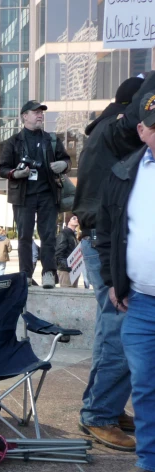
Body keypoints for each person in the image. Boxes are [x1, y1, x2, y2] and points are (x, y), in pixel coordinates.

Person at [74, 74, 155, 452]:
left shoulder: (105, 129)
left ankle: (105, 405)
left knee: (117, 331)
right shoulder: (116, 129)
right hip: (104, 241)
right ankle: (99, 414)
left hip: (101, 237)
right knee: (120, 332)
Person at [99, 91, 155, 472]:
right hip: (141, 302)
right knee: (145, 386)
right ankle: (149, 462)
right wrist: (112, 281)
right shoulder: (124, 173)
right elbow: (107, 233)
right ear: (142, 130)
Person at [0, 100, 71, 289]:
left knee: (48, 236)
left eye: (41, 112)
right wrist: (15, 173)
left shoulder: (51, 139)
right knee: (24, 236)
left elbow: (67, 160)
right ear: (24, 116)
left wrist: (64, 165)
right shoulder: (13, 142)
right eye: (35, 112)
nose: (40, 115)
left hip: (48, 193)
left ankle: (48, 273)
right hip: (23, 196)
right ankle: (26, 275)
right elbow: (3, 168)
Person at [55, 215, 79, 288]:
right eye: (74, 218)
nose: (77, 219)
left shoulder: (72, 235)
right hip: (65, 271)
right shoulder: (64, 234)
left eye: (77, 218)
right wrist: (67, 266)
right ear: (68, 221)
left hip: (72, 269)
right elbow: (59, 253)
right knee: (67, 294)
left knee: (73, 295)